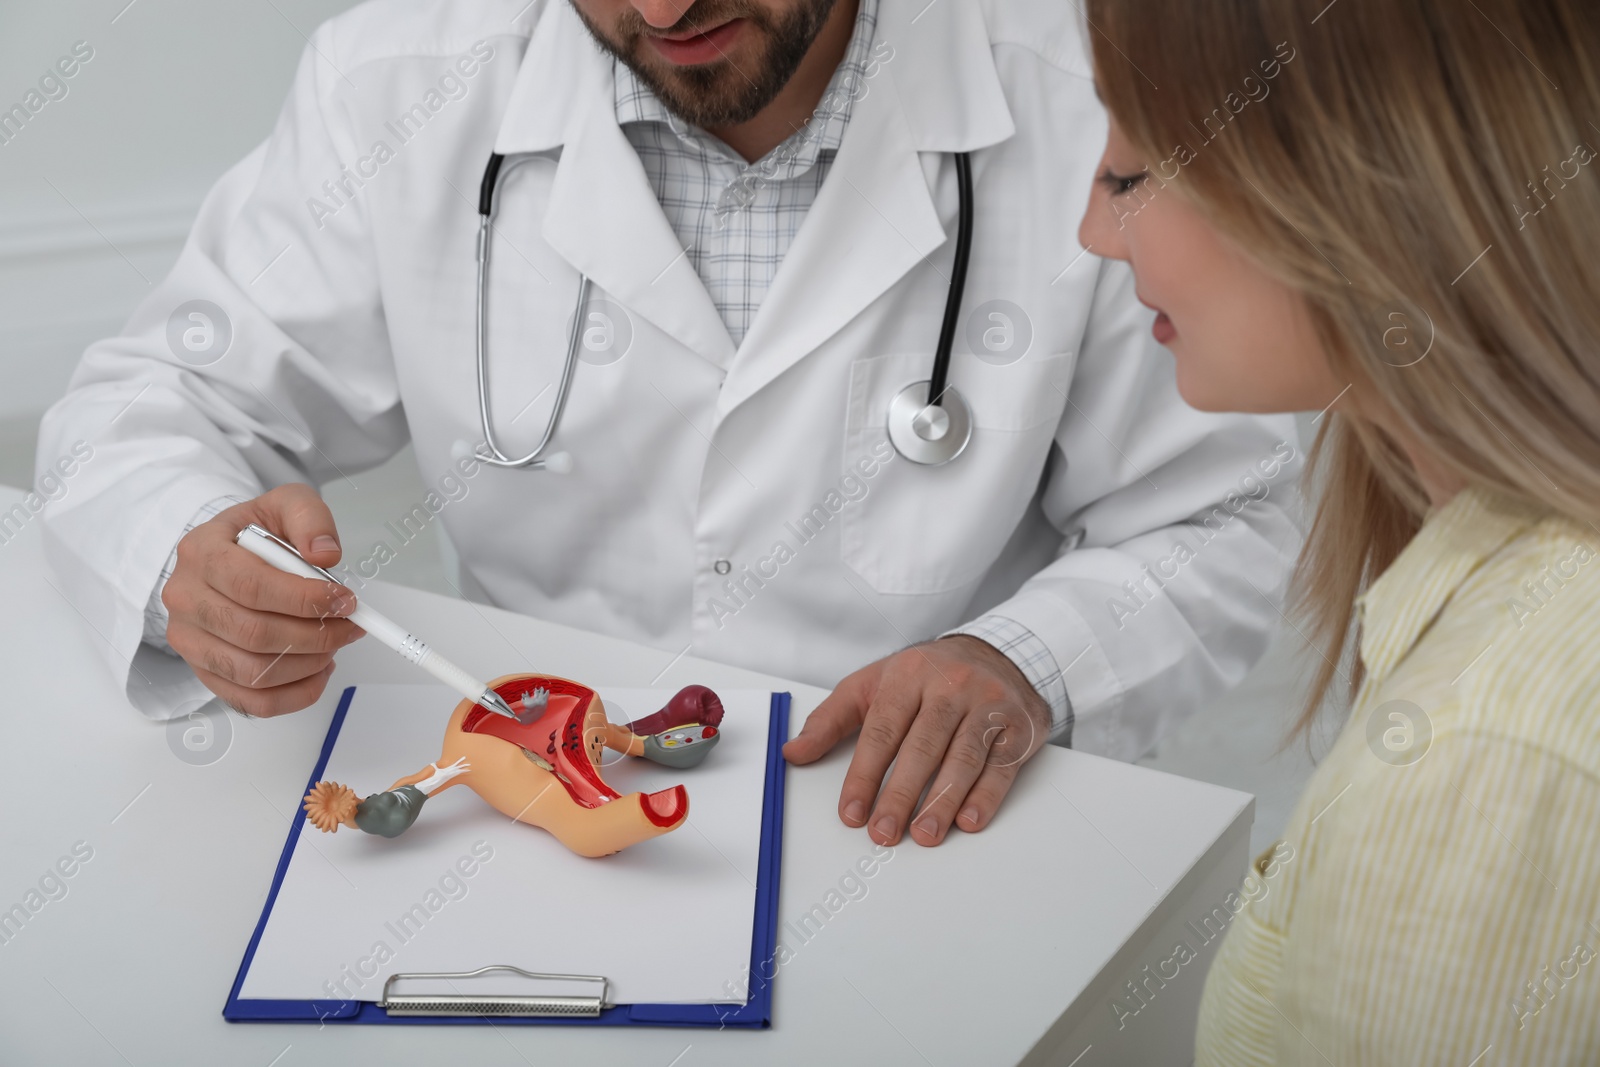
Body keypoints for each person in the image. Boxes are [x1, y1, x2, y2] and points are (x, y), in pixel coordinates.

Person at [37, 0, 1301, 848]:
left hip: (908, 826)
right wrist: (188, 555)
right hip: (526, 810)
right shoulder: (401, 83)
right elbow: (146, 404)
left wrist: (1029, 659)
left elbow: (1224, 511)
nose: (659, 9)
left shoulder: (1088, 91)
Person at [1079, 0, 1600, 1060]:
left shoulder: (1477, 759)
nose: (1093, 231)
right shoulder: (1496, 561)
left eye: (1131, 174)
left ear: (1354, 186)